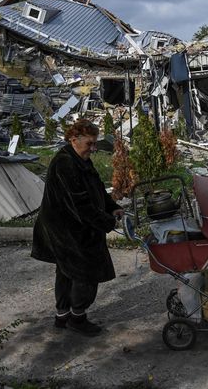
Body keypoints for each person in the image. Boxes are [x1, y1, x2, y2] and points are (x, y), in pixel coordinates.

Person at [32, 119, 124, 336]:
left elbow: (97, 189)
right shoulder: (65, 164)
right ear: (74, 140)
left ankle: (63, 316)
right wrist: (107, 222)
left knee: (66, 271)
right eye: (90, 144)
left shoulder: (80, 159)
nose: (93, 149)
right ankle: (77, 317)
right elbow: (80, 204)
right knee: (86, 271)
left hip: (75, 228)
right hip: (66, 230)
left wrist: (112, 207)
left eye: (95, 144)